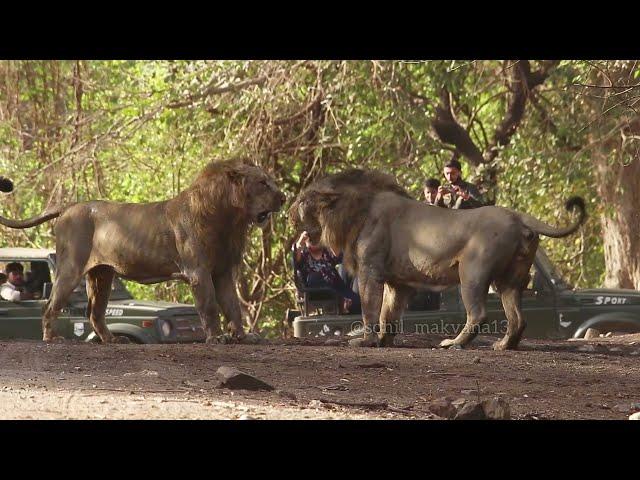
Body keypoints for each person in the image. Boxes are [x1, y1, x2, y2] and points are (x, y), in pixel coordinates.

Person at [293, 231, 361, 314]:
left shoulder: (326, 252)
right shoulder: (304, 255)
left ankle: (344, 304)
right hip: (316, 291)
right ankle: (341, 301)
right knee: (314, 278)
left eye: (317, 238)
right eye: (311, 239)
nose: (315, 242)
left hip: (336, 287)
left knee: (356, 302)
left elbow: (338, 255)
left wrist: (329, 238)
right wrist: (300, 242)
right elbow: (295, 261)